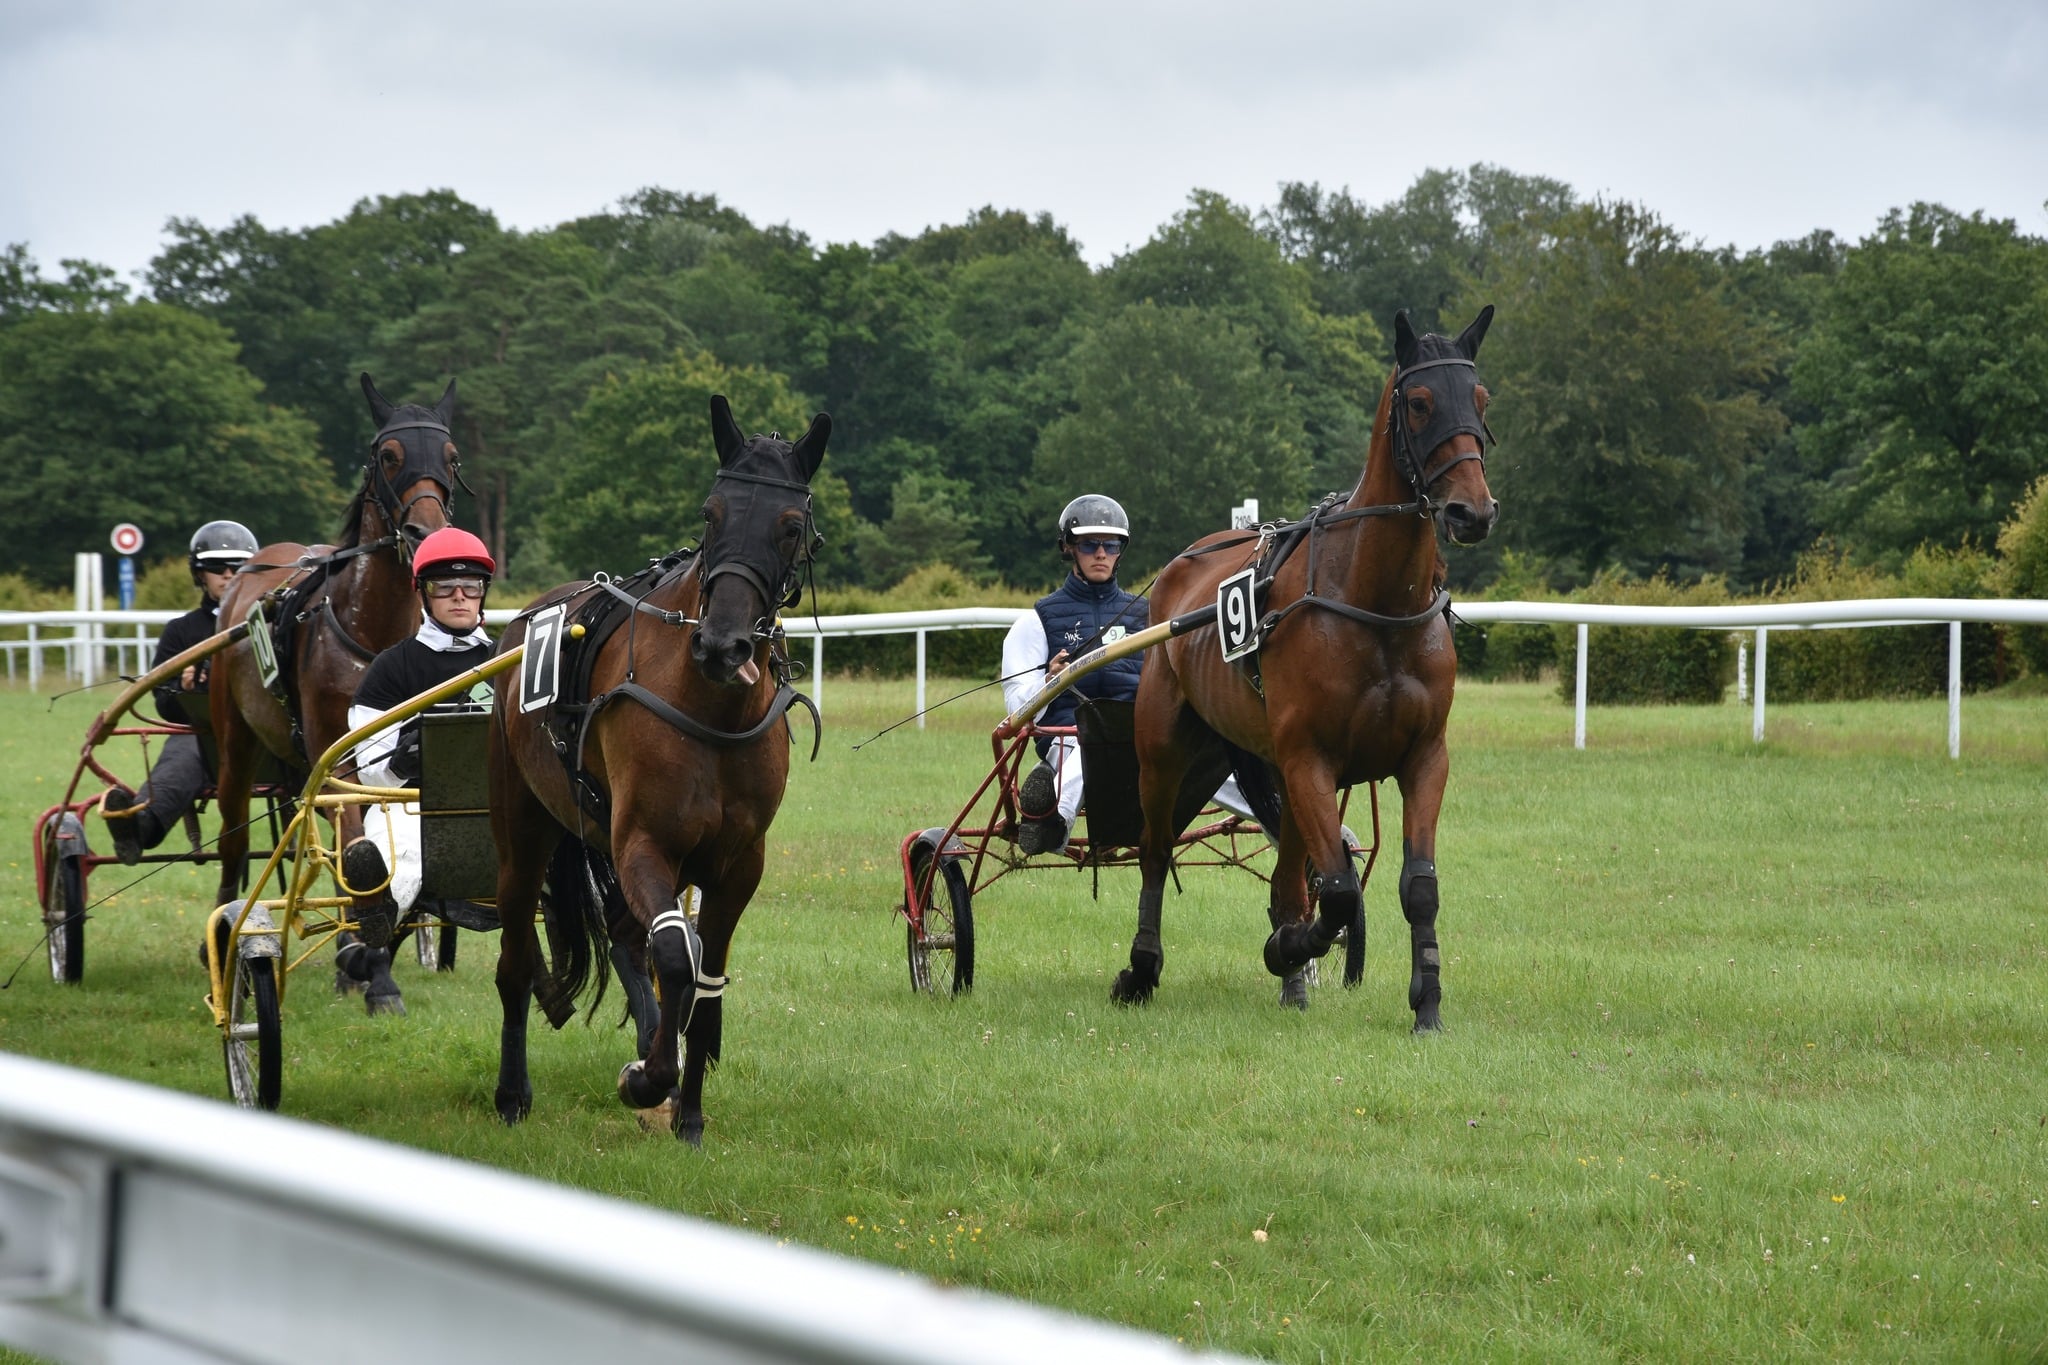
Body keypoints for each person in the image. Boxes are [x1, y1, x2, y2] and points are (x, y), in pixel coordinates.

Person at [337, 526, 495, 1007]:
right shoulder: (392, 667)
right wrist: (402, 757)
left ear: (484, 592)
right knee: (402, 859)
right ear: (423, 593)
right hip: (408, 804)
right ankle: (375, 923)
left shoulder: (506, 660)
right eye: (444, 587)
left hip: (494, 805)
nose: (459, 597)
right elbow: (370, 769)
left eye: (471, 586)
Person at [100, 521, 259, 865]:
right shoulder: (181, 631)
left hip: (266, 736)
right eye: (217, 567)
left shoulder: (272, 626)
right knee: (183, 752)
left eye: (237, 567)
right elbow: (164, 704)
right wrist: (183, 690)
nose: (228, 574)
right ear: (200, 574)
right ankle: (141, 827)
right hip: (204, 738)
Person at [1000, 495, 1149, 854]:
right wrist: (1049, 682)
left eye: (1110, 545)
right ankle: (1054, 825)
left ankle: (1278, 818)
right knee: (1091, 746)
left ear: (1120, 551)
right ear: (1069, 548)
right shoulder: (1037, 621)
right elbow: (1018, 708)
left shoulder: (1147, 616)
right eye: (1089, 544)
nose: (1101, 553)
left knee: (1217, 752)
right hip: (1069, 738)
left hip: (1142, 737)